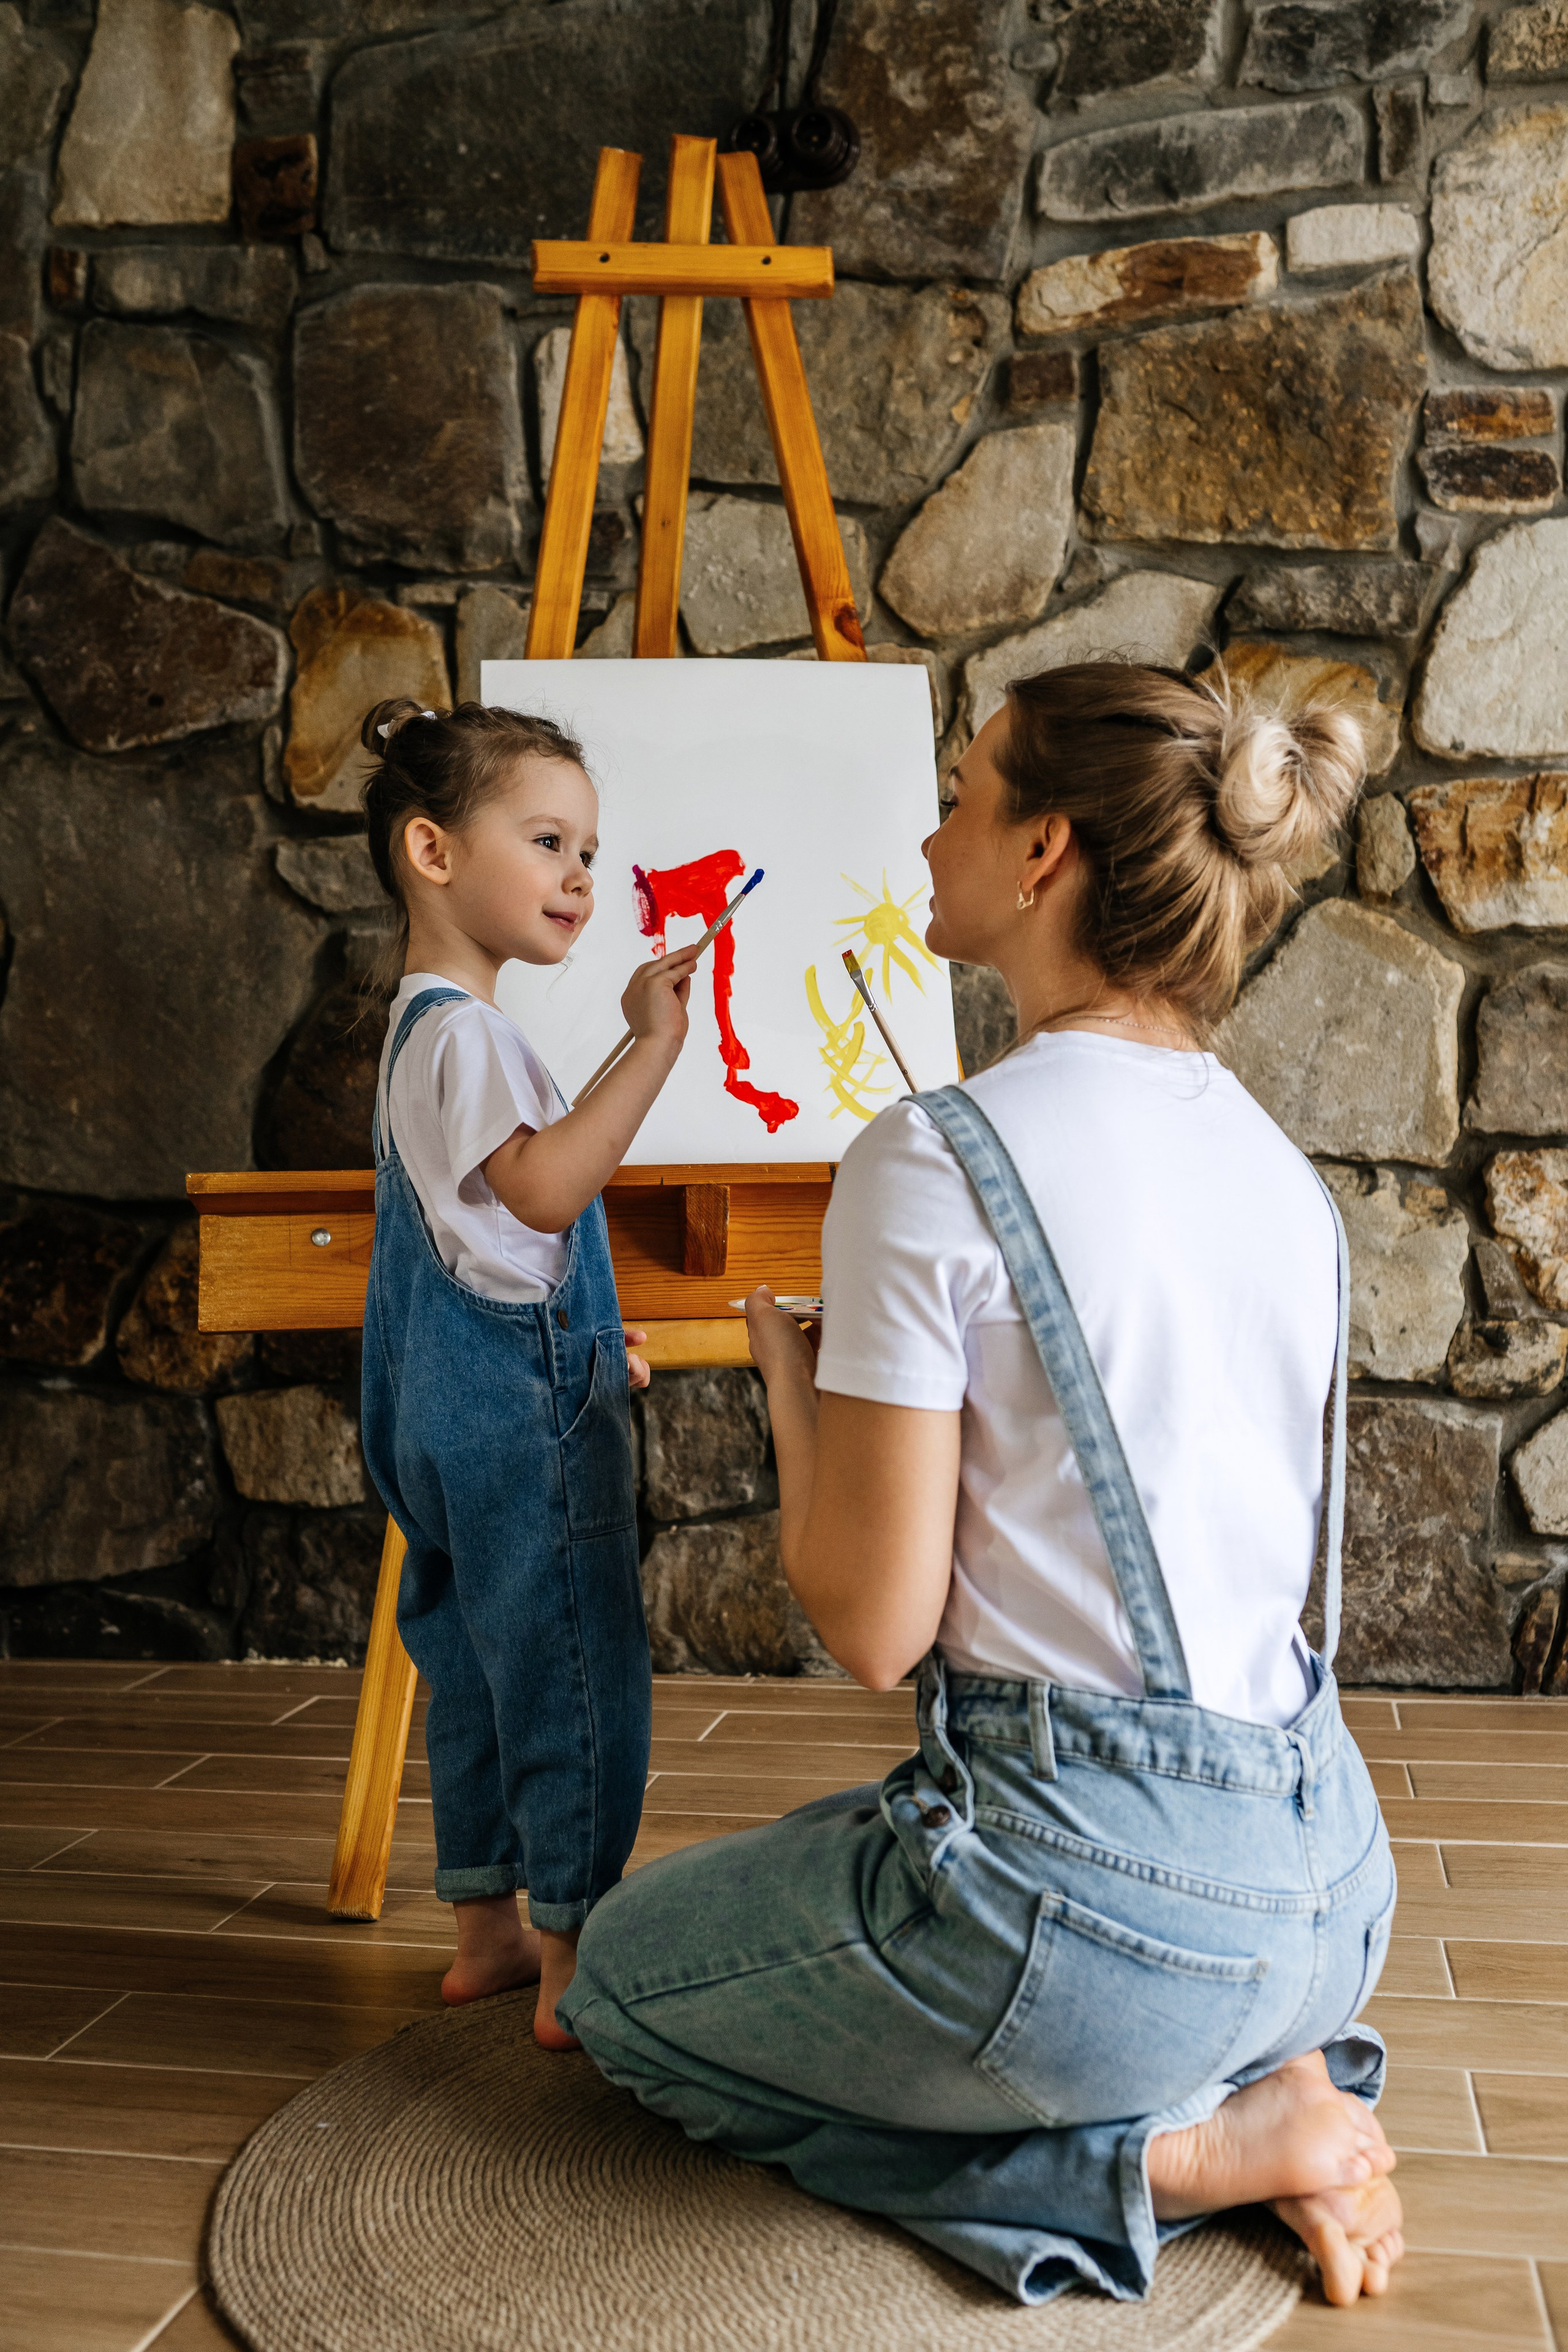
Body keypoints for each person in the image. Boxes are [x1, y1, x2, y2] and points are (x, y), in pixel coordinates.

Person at [562, 660, 1405, 2308]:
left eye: (961, 795)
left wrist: (790, 1389)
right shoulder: (1278, 1174)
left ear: (1044, 856)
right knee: (849, 1859)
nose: (930, 830)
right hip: (1324, 1890)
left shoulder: (936, 1155)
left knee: (622, 1987)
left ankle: (1155, 2159)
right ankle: (1282, 2069)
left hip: (1104, 1926)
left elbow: (872, 1629)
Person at [356, 698, 699, 2047]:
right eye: (548, 840)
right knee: (570, 1665)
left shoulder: (418, 1028)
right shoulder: (476, 1037)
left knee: (475, 1660)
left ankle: (485, 1933)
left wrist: (597, 1350)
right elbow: (549, 1194)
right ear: (433, 852)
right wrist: (655, 1047)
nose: (579, 875)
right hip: (512, 1419)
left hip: (441, 1408)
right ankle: (571, 1958)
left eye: (590, 852)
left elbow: (489, 1241)